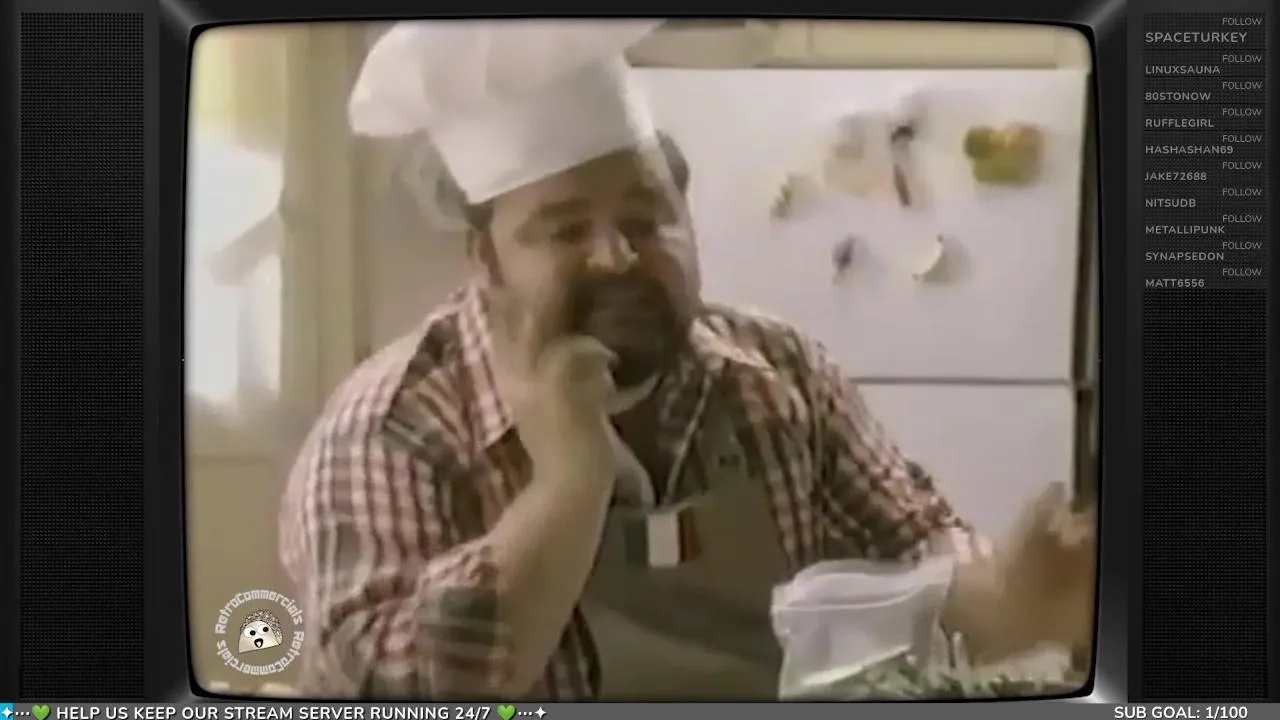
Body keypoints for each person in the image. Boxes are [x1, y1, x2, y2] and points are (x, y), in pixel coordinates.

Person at [278, 20, 1096, 701]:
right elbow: (391, 692)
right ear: (485, 263)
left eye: (648, 217)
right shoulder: (390, 430)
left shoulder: (776, 375)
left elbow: (917, 546)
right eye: (565, 230)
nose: (617, 256)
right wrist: (568, 485)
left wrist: (1005, 601)